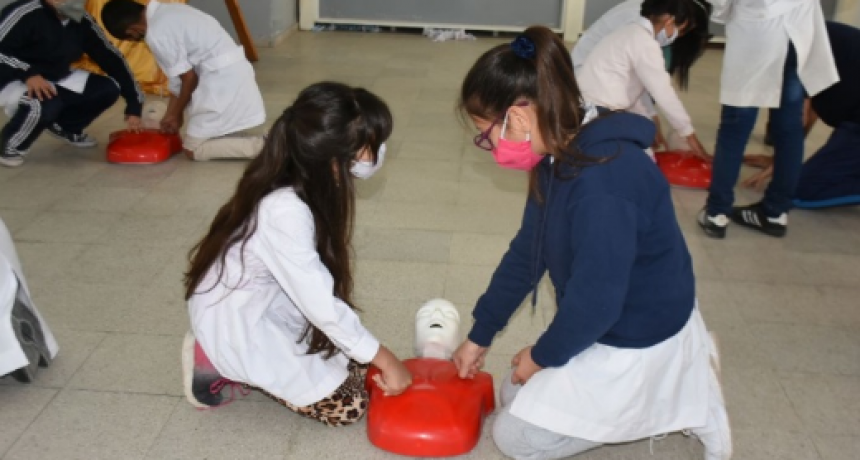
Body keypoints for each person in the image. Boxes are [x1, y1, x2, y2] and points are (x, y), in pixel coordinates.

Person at [452, 26, 731, 460]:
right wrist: (479, 334)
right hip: (608, 317)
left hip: (637, 333)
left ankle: (686, 392)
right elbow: (529, 251)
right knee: (512, 393)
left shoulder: (604, 184)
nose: (490, 148)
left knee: (516, 437)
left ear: (519, 118)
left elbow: (597, 304)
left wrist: (542, 357)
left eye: (488, 135)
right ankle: (674, 381)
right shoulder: (558, 149)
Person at [181, 82, 411, 426]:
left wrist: (371, 354)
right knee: (348, 406)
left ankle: (234, 356)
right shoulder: (284, 210)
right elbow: (319, 302)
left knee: (353, 363)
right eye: (371, 145)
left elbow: (313, 290)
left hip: (268, 300)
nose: (377, 154)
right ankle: (210, 357)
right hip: (235, 319)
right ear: (335, 160)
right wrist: (388, 360)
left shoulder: (302, 175)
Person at [697, 0, 839, 238]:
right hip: (798, 34)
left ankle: (717, 213)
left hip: (757, 36)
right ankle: (775, 212)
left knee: (735, 129)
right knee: (789, 129)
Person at [101, 0, 266, 161]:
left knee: (193, 149)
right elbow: (178, 80)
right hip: (232, 72)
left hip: (222, 81)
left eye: (131, 39)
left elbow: (189, 78)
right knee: (212, 132)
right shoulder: (168, 11)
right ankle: (270, 141)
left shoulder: (156, 34)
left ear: (132, 30)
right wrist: (171, 114)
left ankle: (266, 148)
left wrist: (176, 114)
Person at [0, 0, 144, 168]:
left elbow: (111, 58)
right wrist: (28, 74)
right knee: (46, 101)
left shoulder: (81, 20)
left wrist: (134, 104)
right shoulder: (24, 12)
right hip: (12, 77)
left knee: (107, 88)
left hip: (54, 74)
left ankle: (66, 127)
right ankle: (10, 144)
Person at [744, 21, 860, 209]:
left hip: (856, 126)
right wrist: (783, 158)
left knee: (797, 191)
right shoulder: (805, 35)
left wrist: (782, 165)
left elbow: (798, 116)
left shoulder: (792, 49)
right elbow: (808, 112)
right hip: (853, 120)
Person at [575, 0, 712, 160]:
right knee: (644, 141)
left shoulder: (630, 31)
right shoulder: (645, 43)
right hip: (598, 112)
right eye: (679, 30)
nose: (675, 37)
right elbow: (664, 93)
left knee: (646, 131)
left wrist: (652, 118)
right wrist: (689, 134)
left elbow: (636, 89)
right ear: (670, 21)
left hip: (589, 106)